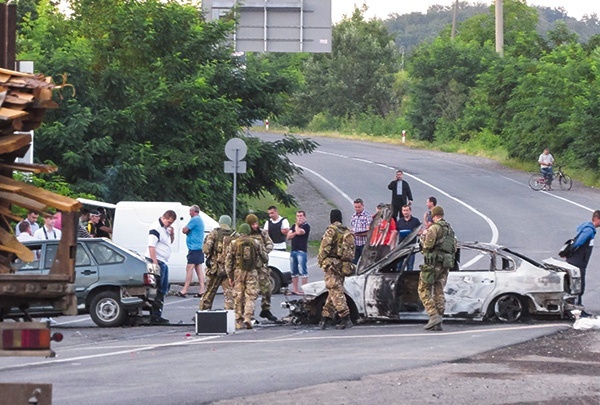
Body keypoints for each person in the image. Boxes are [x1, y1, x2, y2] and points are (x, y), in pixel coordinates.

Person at [418, 206, 456, 331]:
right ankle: (439, 319)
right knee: (439, 291)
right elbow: (454, 248)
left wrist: (422, 237)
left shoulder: (434, 228)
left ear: (434, 216)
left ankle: (433, 315)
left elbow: (427, 246)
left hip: (432, 264)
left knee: (423, 289)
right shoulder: (450, 230)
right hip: (445, 265)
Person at [318, 209, 355, 330]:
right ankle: (325, 318)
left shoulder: (331, 231)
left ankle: (346, 318)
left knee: (336, 291)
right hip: (342, 265)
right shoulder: (346, 231)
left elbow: (324, 249)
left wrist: (321, 261)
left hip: (332, 265)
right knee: (333, 291)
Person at [225, 223, 268, 329]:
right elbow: (265, 257)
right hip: (251, 272)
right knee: (251, 295)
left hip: (238, 272)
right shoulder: (256, 242)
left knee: (238, 296)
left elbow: (228, 261)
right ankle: (248, 317)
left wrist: (230, 276)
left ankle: (238, 321)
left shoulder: (234, 243)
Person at [146, 210, 176, 325]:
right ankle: (155, 316)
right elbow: (151, 246)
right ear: (164, 218)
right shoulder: (155, 228)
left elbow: (169, 242)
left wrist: (172, 233)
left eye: (171, 223)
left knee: (163, 288)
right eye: (168, 222)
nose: (169, 224)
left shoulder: (165, 228)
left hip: (163, 261)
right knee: (158, 288)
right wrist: (155, 263)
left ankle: (157, 314)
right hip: (157, 261)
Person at [566, 210, 600, 308]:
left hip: (577, 261)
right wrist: (571, 251)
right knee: (579, 286)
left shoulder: (588, 228)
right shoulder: (589, 230)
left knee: (577, 284)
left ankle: (576, 306)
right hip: (578, 261)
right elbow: (579, 242)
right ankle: (577, 308)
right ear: (597, 219)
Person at [200, 215, 235, 311]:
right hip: (229, 270)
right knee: (229, 294)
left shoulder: (214, 233)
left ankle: (203, 313)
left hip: (215, 268)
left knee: (209, 292)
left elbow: (206, 249)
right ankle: (230, 316)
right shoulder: (235, 234)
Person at [247, 214, 277, 322]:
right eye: (253, 224)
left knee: (267, 289)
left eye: (256, 223)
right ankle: (249, 314)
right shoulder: (245, 234)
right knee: (252, 292)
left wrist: (263, 251)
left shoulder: (262, 233)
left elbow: (270, 244)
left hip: (262, 267)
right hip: (250, 268)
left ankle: (266, 309)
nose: (255, 226)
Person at [178, 205, 205, 298]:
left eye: (190, 211)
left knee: (189, 267)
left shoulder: (195, 219)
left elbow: (185, 230)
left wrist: (186, 230)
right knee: (198, 268)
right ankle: (202, 290)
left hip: (194, 247)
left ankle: (184, 290)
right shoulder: (199, 220)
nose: (189, 213)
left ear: (194, 212)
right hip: (198, 247)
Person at [287, 210, 310, 294]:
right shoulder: (293, 226)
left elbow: (300, 232)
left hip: (301, 251)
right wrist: (295, 232)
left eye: (301, 216)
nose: (299, 218)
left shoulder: (306, 226)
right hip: (293, 250)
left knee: (303, 271)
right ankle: (295, 289)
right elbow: (288, 236)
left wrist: (296, 227)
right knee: (294, 271)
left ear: (304, 217)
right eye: (298, 216)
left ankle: (304, 289)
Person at [396, 205, 422, 271]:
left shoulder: (415, 221)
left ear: (410, 211)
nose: (405, 212)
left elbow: (420, 232)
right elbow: (395, 233)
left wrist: (413, 233)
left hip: (411, 246)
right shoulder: (399, 222)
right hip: (401, 246)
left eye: (407, 210)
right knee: (399, 265)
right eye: (404, 211)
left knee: (410, 266)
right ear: (402, 211)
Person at [350, 198, 372, 264]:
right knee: (354, 263)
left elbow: (369, 231)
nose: (357, 209)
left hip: (364, 244)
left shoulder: (367, 217)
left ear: (363, 206)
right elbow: (352, 227)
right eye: (356, 207)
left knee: (364, 263)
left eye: (359, 207)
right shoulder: (354, 216)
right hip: (355, 244)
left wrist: (357, 234)